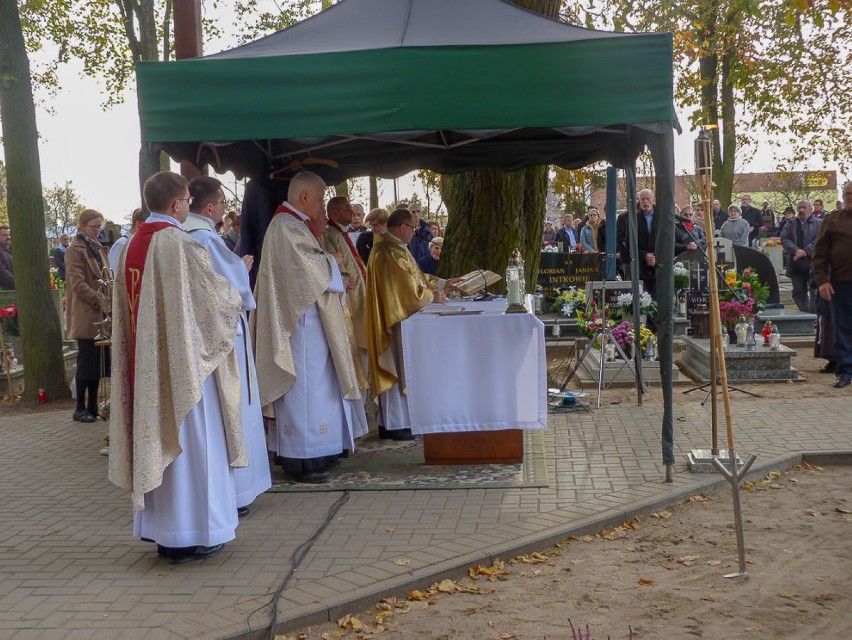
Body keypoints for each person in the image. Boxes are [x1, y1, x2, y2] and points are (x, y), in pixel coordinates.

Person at [109, 171, 247, 565]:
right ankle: (197, 533)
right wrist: (235, 296)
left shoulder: (134, 243)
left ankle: (165, 533)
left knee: (159, 437)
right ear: (176, 205)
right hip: (184, 368)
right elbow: (213, 300)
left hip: (147, 367)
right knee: (193, 445)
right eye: (187, 200)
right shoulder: (177, 244)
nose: (189, 206)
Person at [252, 171, 364, 483]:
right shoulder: (287, 227)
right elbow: (309, 270)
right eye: (320, 200)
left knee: (317, 388)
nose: (322, 208)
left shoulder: (292, 225)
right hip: (299, 327)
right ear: (304, 198)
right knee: (306, 389)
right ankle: (304, 456)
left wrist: (331, 265)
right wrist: (336, 267)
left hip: (310, 323)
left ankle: (320, 450)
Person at [186, 176, 271, 517]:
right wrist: (242, 270)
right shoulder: (204, 237)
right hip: (222, 340)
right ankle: (239, 490)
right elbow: (227, 287)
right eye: (222, 203)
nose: (224, 208)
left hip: (205, 338)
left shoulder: (188, 235)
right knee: (233, 409)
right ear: (210, 207)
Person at [366, 208, 460, 440]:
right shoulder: (388, 251)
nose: (414, 233)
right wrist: (432, 296)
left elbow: (416, 278)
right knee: (398, 367)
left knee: (402, 368)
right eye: (412, 228)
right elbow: (407, 291)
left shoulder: (396, 248)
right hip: (396, 320)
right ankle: (395, 424)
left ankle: (395, 422)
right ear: (402, 228)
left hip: (401, 318)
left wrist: (444, 283)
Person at [65, 209, 110, 423]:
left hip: (101, 314)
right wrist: (100, 299)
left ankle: (93, 406)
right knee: (86, 363)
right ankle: (79, 407)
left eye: (99, 226)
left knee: (97, 364)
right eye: (94, 226)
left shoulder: (98, 249)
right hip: (86, 314)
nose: (98, 230)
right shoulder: (75, 250)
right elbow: (77, 284)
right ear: (82, 226)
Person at [812, 181, 852, 389]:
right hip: (841, 282)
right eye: (847, 194)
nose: (850, 197)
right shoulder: (832, 220)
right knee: (843, 326)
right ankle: (845, 371)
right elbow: (819, 254)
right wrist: (823, 281)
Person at [781, 199, 821, 313]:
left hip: (813, 263)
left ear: (810, 209)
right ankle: (805, 313)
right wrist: (796, 250)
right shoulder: (790, 224)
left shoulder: (819, 223)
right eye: (799, 208)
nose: (801, 210)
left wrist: (805, 251)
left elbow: (819, 240)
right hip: (795, 263)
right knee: (798, 291)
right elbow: (784, 239)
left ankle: (814, 315)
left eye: (804, 207)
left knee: (814, 291)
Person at [0, 225, 13, 290]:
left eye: (9, 235)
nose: (8, 237)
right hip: (5, 291)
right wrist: (19, 283)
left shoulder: (13, 250)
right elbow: (2, 272)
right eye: (4, 235)